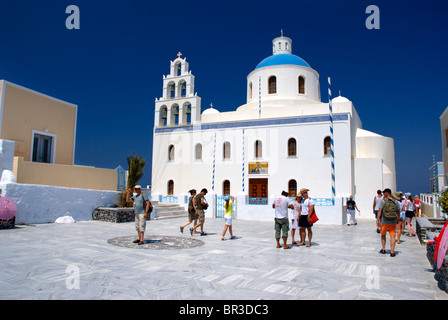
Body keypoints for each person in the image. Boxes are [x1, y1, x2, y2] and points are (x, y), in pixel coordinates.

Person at [377, 188, 401, 257]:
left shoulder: (383, 201)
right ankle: (392, 252)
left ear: (387, 193)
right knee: (392, 235)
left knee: (383, 234)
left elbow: (379, 210)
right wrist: (398, 219)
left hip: (385, 221)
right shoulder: (395, 202)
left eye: (384, 193)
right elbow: (398, 211)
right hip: (393, 220)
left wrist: (378, 219)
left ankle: (383, 249)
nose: (383, 194)